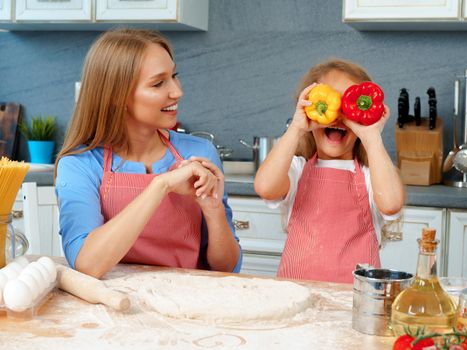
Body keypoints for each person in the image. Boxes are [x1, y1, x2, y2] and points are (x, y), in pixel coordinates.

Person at [55, 28, 241, 278]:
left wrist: (213, 209)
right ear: (116, 97)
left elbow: (225, 267)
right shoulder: (80, 164)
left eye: (174, 76)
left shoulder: (199, 151)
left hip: (188, 303)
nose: (177, 91)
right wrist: (160, 186)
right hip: (113, 307)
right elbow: (88, 264)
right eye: (158, 83)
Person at [254, 59, 405, 283]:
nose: (338, 115)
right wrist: (297, 128)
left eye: (348, 105)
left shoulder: (370, 175)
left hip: (353, 300)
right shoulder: (297, 169)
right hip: (296, 293)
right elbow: (265, 187)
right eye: (330, 100)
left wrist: (372, 137)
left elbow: (392, 204)